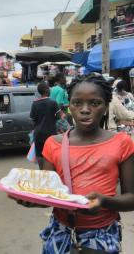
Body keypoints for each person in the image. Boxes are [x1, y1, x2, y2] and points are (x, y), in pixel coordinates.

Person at [14, 74, 134, 253]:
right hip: (62, 233)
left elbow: (131, 199)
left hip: (102, 236)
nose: (85, 109)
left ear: (106, 105)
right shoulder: (53, 144)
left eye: (94, 103)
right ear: (69, 105)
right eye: (77, 103)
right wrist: (33, 200)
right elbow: (48, 196)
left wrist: (104, 201)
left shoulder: (122, 143)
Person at [29, 82, 59, 170]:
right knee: (51, 154)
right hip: (51, 134)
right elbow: (59, 118)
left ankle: (41, 170)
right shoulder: (53, 102)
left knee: (39, 154)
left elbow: (32, 119)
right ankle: (51, 172)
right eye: (48, 88)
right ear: (46, 90)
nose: (50, 89)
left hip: (38, 134)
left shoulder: (35, 104)